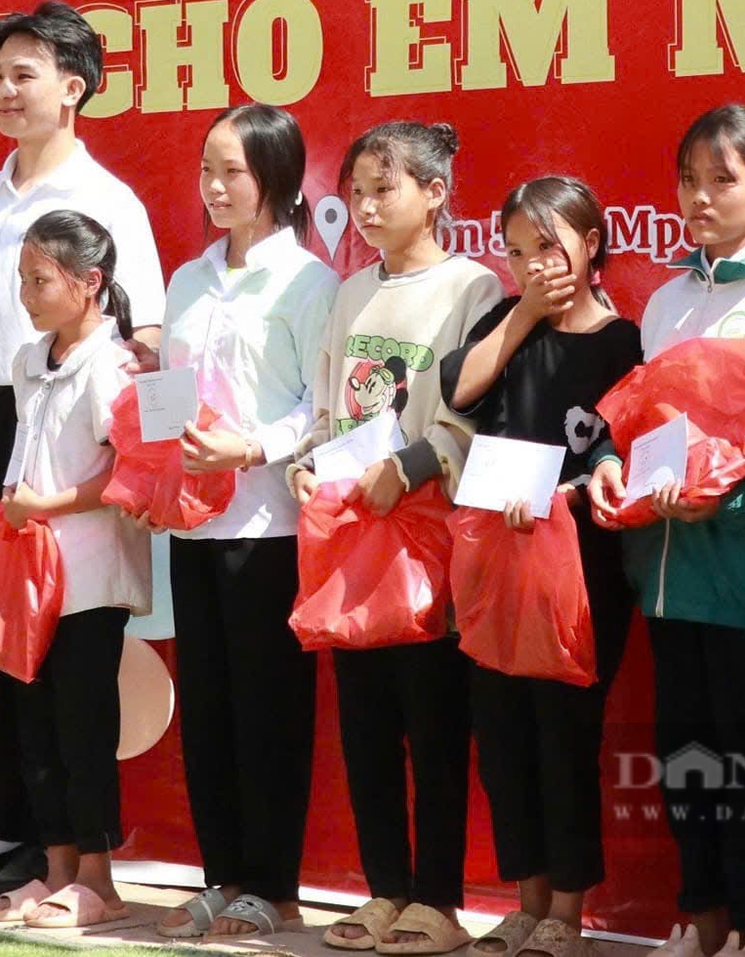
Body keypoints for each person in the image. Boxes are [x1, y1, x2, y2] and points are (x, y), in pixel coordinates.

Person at [0, 1, 165, 904]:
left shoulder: (109, 203)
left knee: (60, 659)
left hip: (69, 426)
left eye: (27, 75)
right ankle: (10, 831)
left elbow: (148, 341)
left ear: (76, 87)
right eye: (0, 75)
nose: (8, 91)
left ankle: (57, 856)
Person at [588, 106, 745, 957]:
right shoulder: (668, 301)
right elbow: (645, 431)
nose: (699, 196)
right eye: (688, 178)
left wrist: (735, 509)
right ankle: (700, 914)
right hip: (667, 571)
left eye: (723, 179)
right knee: (685, 754)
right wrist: (620, 474)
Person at [287, 121, 503, 955]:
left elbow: (476, 414)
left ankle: (440, 902)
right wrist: (308, 465)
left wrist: (416, 464)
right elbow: (328, 403)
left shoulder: (474, 290)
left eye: (386, 189)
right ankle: (383, 892)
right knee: (367, 726)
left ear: (436, 194)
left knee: (434, 725)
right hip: (352, 538)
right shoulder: (350, 293)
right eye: (358, 192)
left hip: (428, 536)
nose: (368, 208)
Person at [439, 176, 642, 957]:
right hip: (493, 566)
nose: (534, 264)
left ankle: (567, 911)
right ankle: (523, 904)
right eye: (518, 251)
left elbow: (625, 445)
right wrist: (523, 313)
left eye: (549, 247)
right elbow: (458, 389)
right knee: (501, 736)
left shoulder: (622, 342)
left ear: (591, 243)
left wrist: (570, 492)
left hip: (578, 571)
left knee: (563, 740)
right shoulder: (507, 320)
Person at [153, 105, 338, 940]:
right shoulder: (188, 278)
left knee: (268, 711)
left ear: (279, 178)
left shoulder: (309, 283)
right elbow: (168, 397)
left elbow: (320, 405)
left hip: (268, 527)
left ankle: (276, 884)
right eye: (206, 170)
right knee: (212, 712)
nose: (216, 187)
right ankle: (221, 875)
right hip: (192, 529)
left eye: (233, 171)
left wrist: (251, 446)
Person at [0, 211, 148, 929]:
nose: (27, 294)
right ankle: (55, 870)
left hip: (90, 572)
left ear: (90, 283)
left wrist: (55, 501)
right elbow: (28, 448)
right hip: (28, 573)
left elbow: (132, 472)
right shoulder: (27, 360)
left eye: (40, 280)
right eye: (22, 280)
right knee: (35, 726)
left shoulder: (118, 364)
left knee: (82, 725)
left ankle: (99, 880)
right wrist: (19, 501)